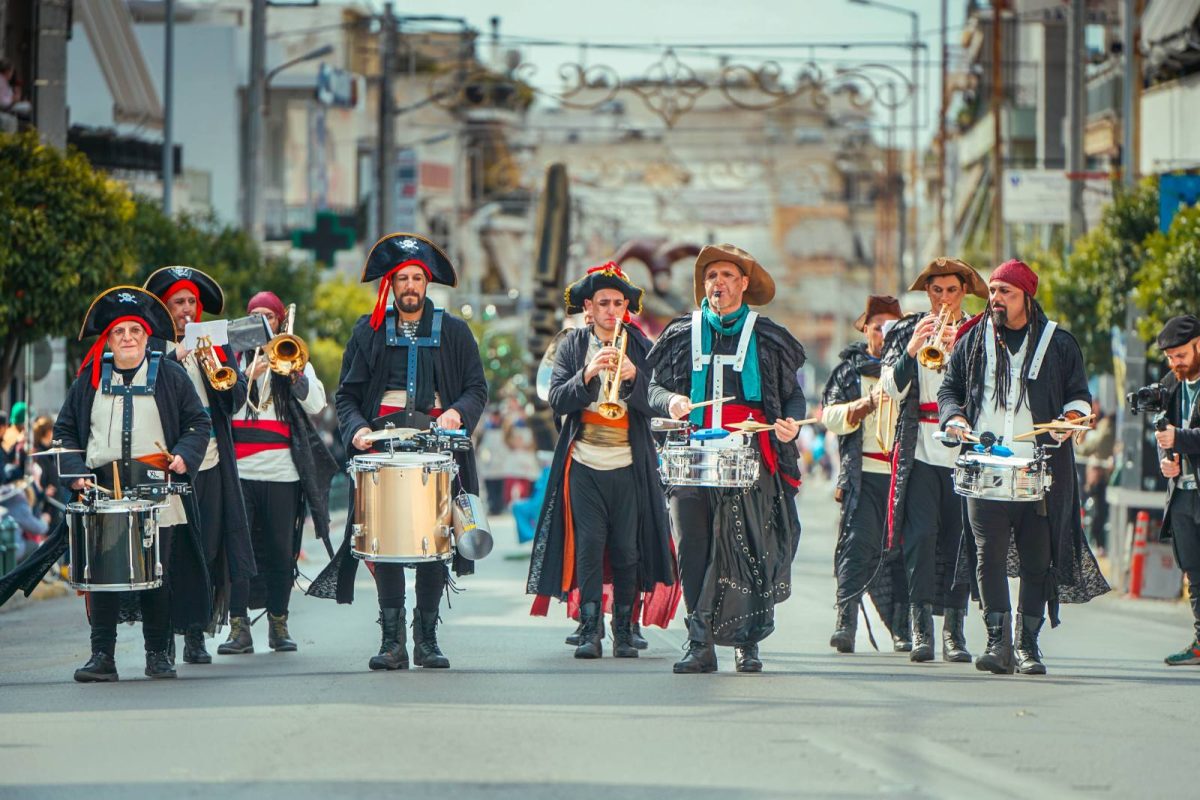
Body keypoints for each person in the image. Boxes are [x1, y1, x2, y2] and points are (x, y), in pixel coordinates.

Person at [0, 286, 213, 680]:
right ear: (109, 339)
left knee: (156, 573)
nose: (128, 337)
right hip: (101, 492)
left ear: (147, 336)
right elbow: (64, 432)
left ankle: (157, 655)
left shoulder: (169, 373)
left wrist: (185, 454)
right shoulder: (89, 379)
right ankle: (103, 657)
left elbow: (199, 423)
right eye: (119, 332)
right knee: (100, 577)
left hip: (158, 493)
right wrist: (77, 472)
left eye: (135, 330)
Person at [307, 233, 488, 671]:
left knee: (436, 542)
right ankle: (392, 641)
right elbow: (346, 396)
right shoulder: (366, 333)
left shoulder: (456, 332)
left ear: (427, 284)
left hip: (437, 449)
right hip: (381, 449)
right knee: (383, 539)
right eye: (402, 278)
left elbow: (476, 389)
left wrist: (456, 414)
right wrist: (358, 429)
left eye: (416, 278)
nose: (410, 286)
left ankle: (426, 640)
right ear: (390, 285)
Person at [940, 259, 1109, 675]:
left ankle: (1028, 645)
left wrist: (1072, 417)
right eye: (993, 292)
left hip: (1040, 468)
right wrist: (954, 417)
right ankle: (998, 642)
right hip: (984, 468)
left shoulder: (1059, 342)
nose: (995, 299)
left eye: (1005, 293)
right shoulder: (973, 339)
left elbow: (1079, 396)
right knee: (987, 556)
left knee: (1038, 560)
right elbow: (951, 388)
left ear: (1026, 298)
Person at [647, 244, 806, 674]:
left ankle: (746, 640)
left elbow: (792, 395)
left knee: (749, 546)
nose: (719, 283)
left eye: (727, 276)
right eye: (712, 276)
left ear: (743, 284)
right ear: (704, 284)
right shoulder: (682, 333)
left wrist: (790, 422)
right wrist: (672, 401)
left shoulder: (768, 335)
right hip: (692, 454)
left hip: (749, 453)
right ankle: (699, 642)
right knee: (693, 546)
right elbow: (651, 389)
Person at [526, 263, 680, 658]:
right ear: (588, 309)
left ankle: (624, 629)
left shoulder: (643, 346)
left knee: (628, 549)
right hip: (583, 462)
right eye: (603, 304)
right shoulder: (572, 346)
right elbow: (556, 399)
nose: (612, 311)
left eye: (618, 304)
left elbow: (658, 401)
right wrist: (588, 374)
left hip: (630, 463)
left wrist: (634, 380)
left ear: (627, 308)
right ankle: (591, 628)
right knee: (590, 545)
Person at [880, 257, 988, 664]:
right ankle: (921, 628)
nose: (944, 300)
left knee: (960, 542)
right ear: (928, 293)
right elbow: (890, 388)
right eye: (937, 291)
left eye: (952, 291)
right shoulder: (909, 329)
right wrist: (911, 352)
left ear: (964, 292)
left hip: (964, 450)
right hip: (920, 448)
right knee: (920, 538)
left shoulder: (980, 332)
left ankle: (954, 633)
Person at [217, 291, 337, 656]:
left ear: (281, 321)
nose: (263, 323)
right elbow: (223, 404)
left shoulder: (292, 355)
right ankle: (238, 629)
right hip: (240, 473)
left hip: (283, 475)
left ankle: (278, 624)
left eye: (270, 316)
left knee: (281, 550)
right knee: (238, 550)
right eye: (256, 316)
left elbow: (317, 403)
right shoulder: (231, 361)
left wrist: (293, 372)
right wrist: (245, 375)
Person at [144, 266, 253, 665]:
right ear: (165, 308)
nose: (187, 310)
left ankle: (196, 633)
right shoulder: (152, 346)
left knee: (207, 547)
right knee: (170, 551)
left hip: (212, 460)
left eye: (192, 302)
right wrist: (176, 356)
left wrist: (218, 373)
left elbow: (236, 396)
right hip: (169, 462)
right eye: (179, 303)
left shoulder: (215, 344)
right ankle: (166, 635)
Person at [822, 295, 910, 653]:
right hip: (864, 477)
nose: (885, 335)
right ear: (867, 330)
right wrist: (861, 406)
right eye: (879, 328)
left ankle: (904, 629)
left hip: (904, 477)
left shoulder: (913, 369)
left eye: (893, 328)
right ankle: (846, 623)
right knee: (856, 548)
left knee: (903, 554)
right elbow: (827, 416)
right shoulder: (848, 371)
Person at [1153, 315, 1200, 666]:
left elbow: (1178, 434)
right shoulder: (1171, 382)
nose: (1175, 363)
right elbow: (1161, 430)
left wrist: (1179, 439)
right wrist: (1167, 459)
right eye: (1170, 357)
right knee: (1193, 570)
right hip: (1182, 492)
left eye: (1181, 354)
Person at [1075, 399, 1115, 551]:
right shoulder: (1085, 423)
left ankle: (1099, 543)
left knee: (1100, 510)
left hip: (1101, 475)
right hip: (1087, 473)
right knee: (1085, 505)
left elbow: (1092, 447)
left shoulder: (1105, 423)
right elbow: (1080, 446)